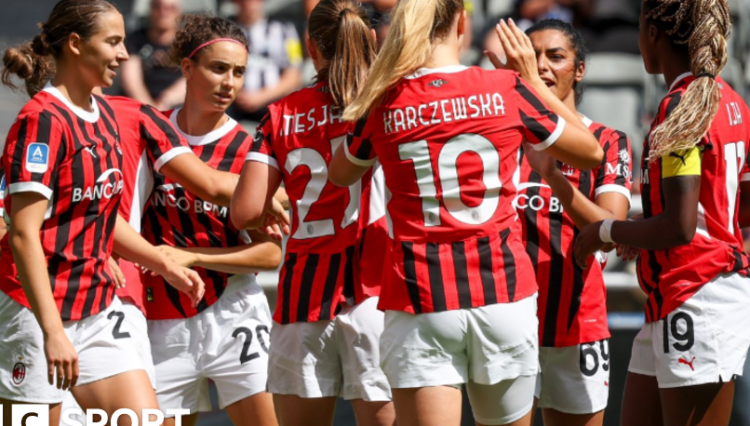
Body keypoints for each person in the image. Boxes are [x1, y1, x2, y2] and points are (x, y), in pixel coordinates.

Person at [329, 0, 604, 423]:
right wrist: (530, 79)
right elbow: (591, 152)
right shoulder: (505, 88)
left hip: (421, 300)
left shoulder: (383, 101)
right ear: (462, 23)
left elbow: (341, 173)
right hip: (502, 294)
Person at [0, 1, 204, 424]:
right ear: (75, 44)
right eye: (113, 41)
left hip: (95, 305)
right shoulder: (41, 119)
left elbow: (100, 215)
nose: (125, 54)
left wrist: (161, 263)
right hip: (35, 309)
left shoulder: (104, 115)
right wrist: (52, 331)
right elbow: (22, 234)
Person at [573, 1, 750, 425]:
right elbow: (730, 213)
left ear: (652, 33)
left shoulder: (682, 108)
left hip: (696, 295)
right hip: (679, 295)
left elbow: (681, 226)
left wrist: (606, 231)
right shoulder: (734, 103)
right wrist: (640, 231)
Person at [232, 1, 395, 425]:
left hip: (303, 297)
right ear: (369, 39)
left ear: (310, 47)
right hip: (376, 293)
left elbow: (244, 211)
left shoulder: (281, 112)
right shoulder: (387, 104)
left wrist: (273, 205)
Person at [140, 14, 282, 426]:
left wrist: (191, 257)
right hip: (163, 321)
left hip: (235, 313)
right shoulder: (148, 132)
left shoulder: (250, 149)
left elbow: (270, 254)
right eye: (218, 68)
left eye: (239, 72)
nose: (230, 83)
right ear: (187, 67)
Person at [505, 19, 632, 426]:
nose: (541, 65)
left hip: (577, 324)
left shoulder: (610, 141)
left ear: (579, 70)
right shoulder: (502, 139)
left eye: (555, 57)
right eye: (533, 55)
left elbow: (609, 231)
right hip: (506, 324)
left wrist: (555, 178)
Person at [228, 0, 303, 127]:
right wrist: (237, 94)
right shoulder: (225, 31)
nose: (250, 3)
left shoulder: (287, 30)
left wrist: (261, 97)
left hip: (273, 104)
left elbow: (294, 76)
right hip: (233, 104)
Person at [122, 0, 186, 110]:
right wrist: (151, 109)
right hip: (139, 106)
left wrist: (166, 100)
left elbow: (193, 78)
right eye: (158, 7)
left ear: (179, 12)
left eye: (169, 8)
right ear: (150, 10)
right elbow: (131, 79)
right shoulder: (137, 39)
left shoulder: (187, 42)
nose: (163, 12)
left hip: (177, 107)